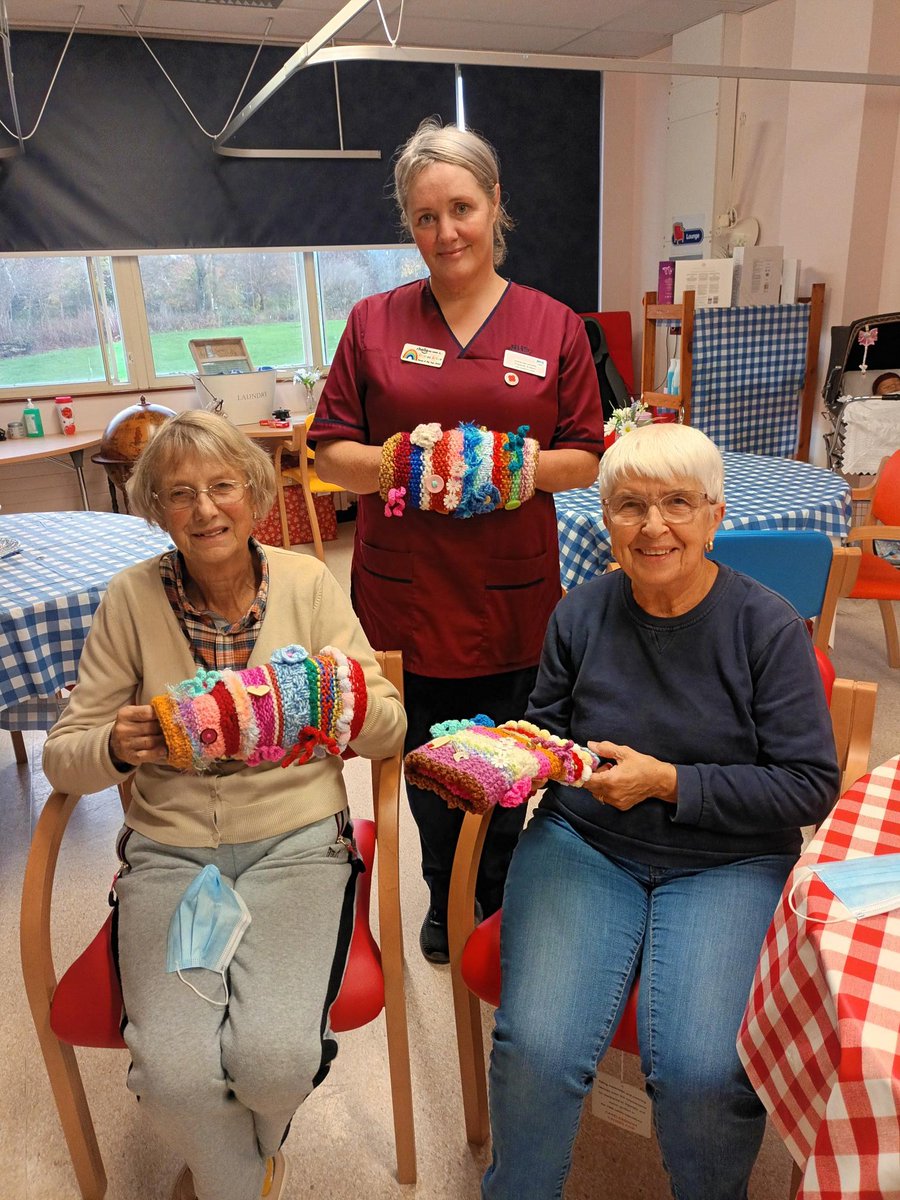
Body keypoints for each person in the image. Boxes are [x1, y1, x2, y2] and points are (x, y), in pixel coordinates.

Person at [42, 411, 406, 1200]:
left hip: (298, 844)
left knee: (273, 1064)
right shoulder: (131, 599)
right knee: (172, 1076)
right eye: (180, 495)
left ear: (257, 496)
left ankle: (234, 1161)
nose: (205, 510)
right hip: (172, 856)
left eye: (222, 487)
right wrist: (116, 744)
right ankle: (242, 1177)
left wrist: (335, 697)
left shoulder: (308, 584)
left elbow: (388, 726)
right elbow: (63, 754)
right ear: (156, 511)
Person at [482, 422, 840, 1199]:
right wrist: (507, 754)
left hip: (731, 857)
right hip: (587, 840)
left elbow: (811, 784)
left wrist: (671, 782)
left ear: (715, 515)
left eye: (678, 503)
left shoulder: (767, 626)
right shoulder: (578, 612)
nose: (653, 527)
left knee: (704, 1071)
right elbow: (549, 728)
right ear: (603, 520)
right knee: (535, 1049)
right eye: (630, 506)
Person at [310, 117, 603, 962]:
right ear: (409, 223)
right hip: (407, 591)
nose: (446, 232)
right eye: (425, 216)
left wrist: (500, 469)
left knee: (512, 755)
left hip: (513, 592)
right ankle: (446, 891)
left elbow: (585, 457)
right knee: (429, 758)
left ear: (496, 204)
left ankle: (504, 888)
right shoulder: (371, 322)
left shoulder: (554, 327)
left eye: (462, 208)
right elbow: (331, 453)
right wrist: (411, 462)